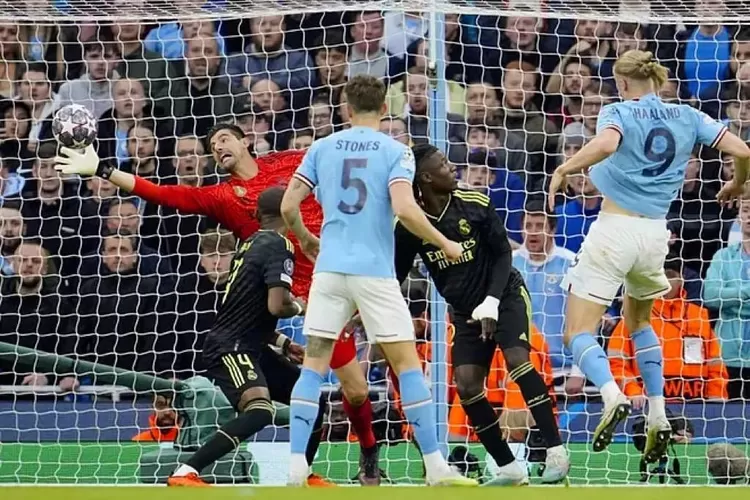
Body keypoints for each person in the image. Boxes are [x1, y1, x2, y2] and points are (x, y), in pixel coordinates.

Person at [53, 124, 380, 485]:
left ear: (247, 142)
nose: (217, 147)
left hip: (340, 274)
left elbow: (340, 159)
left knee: (355, 390)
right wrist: (104, 170)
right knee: (274, 404)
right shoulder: (225, 197)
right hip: (299, 298)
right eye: (212, 146)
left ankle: (359, 457)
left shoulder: (291, 161)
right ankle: (197, 469)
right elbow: (164, 194)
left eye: (223, 139)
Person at [547, 49, 750, 464]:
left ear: (623, 84)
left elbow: (606, 144)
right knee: (639, 321)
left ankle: (610, 394)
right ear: (658, 81)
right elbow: (743, 151)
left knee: (575, 332)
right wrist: (737, 186)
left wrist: (564, 169)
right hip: (656, 233)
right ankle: (657, 412)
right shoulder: (689, 115)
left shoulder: (617, 110)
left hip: (615, 227)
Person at [280, 74, 475, 487]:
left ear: (345, 109)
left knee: (313, 367)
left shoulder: (321, 148)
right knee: (407, 365)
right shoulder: (397, 151)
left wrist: (307, 239)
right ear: (385, 108)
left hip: (330, 271)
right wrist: (445, 242)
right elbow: (405, 209)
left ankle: (296, 464)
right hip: (374, 273)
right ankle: (436, 466)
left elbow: (288, 204)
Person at [393, 144, 569, 485]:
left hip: (506, 295)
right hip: (464, 312)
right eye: (443, 164)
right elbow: (396, 274)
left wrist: (491, 301)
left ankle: (556, 452)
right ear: (426, 177)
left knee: (518, 361)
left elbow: (504, 255)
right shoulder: (411, 224)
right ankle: (509, 468)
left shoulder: (475, 203)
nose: (452, 168)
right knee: (467, 385)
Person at [167, 187, 320, 487]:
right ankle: (186, 471)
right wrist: (302, 305)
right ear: (290, 211)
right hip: (232, 348)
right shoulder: (279, 245)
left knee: (310, 397)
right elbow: (277, 305)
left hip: (250, 345)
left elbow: (248, 309)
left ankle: (304, 473)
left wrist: (283, 343)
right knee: (260, 410)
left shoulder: (250, 244)